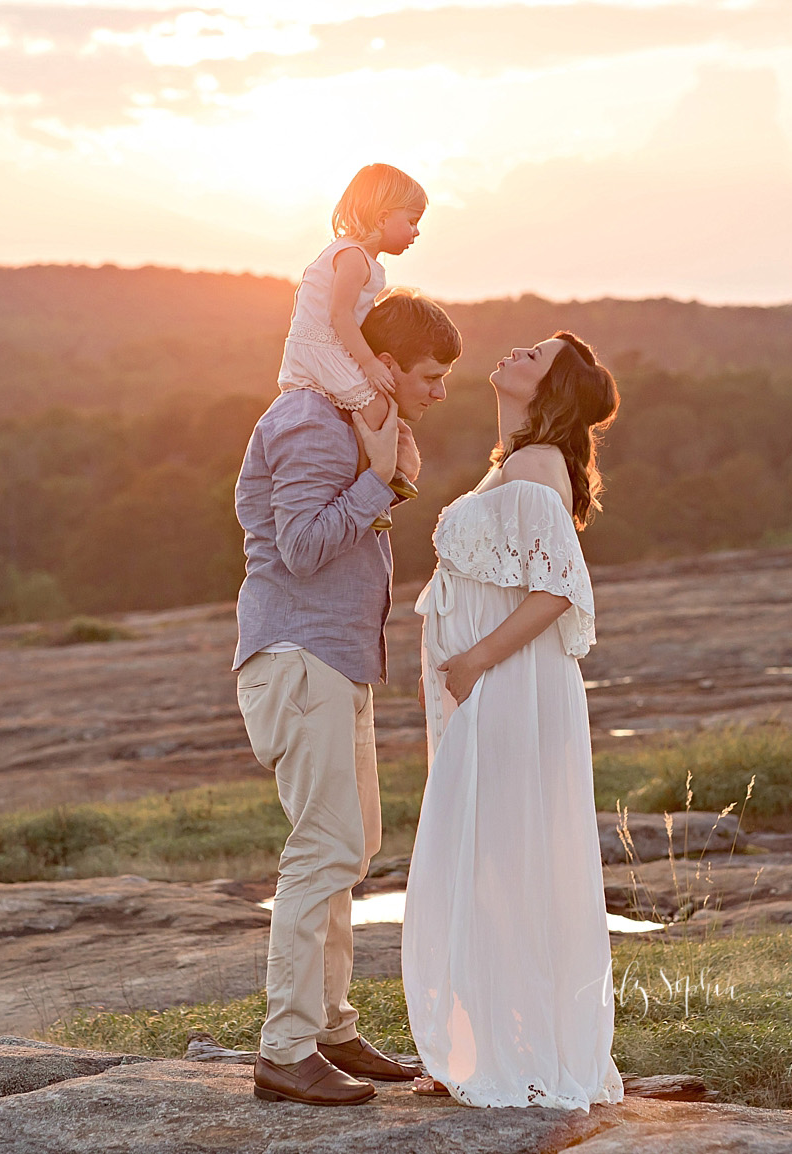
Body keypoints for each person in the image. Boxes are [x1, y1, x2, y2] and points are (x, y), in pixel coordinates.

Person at [233, 291, 459, 1105]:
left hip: (335, 659)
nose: (440, 392)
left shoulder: (350, 425)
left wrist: (382, 481)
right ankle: (286, 1049)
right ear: (386, 365)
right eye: (430, 376)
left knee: (352, 844)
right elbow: (298, 548)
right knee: (322, 848)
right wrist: (384, 483)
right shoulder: (308, 421)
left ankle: (329, 1029)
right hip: (299, 657)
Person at [402, 331, 624, 1108]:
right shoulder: (516, 465)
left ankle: (509, 1050)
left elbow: (559, 589)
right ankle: (493, 1041)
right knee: (492, 858)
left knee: (498, 858)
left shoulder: (535, 469)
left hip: (508, 687)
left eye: (532, 356)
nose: (513, 354)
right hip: (493, 689)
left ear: (550, 390)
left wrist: (472, 664)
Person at [276, 164, 430, 525]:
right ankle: (370, 488)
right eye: (411, 220)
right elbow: (340, 316)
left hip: (329, 347)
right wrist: (370, 364)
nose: (417, 231)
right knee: (376, 407)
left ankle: (372, 483)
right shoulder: (353, 257)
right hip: (322, 348)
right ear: (381, 218)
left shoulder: (363, 260)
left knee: (377, 408)